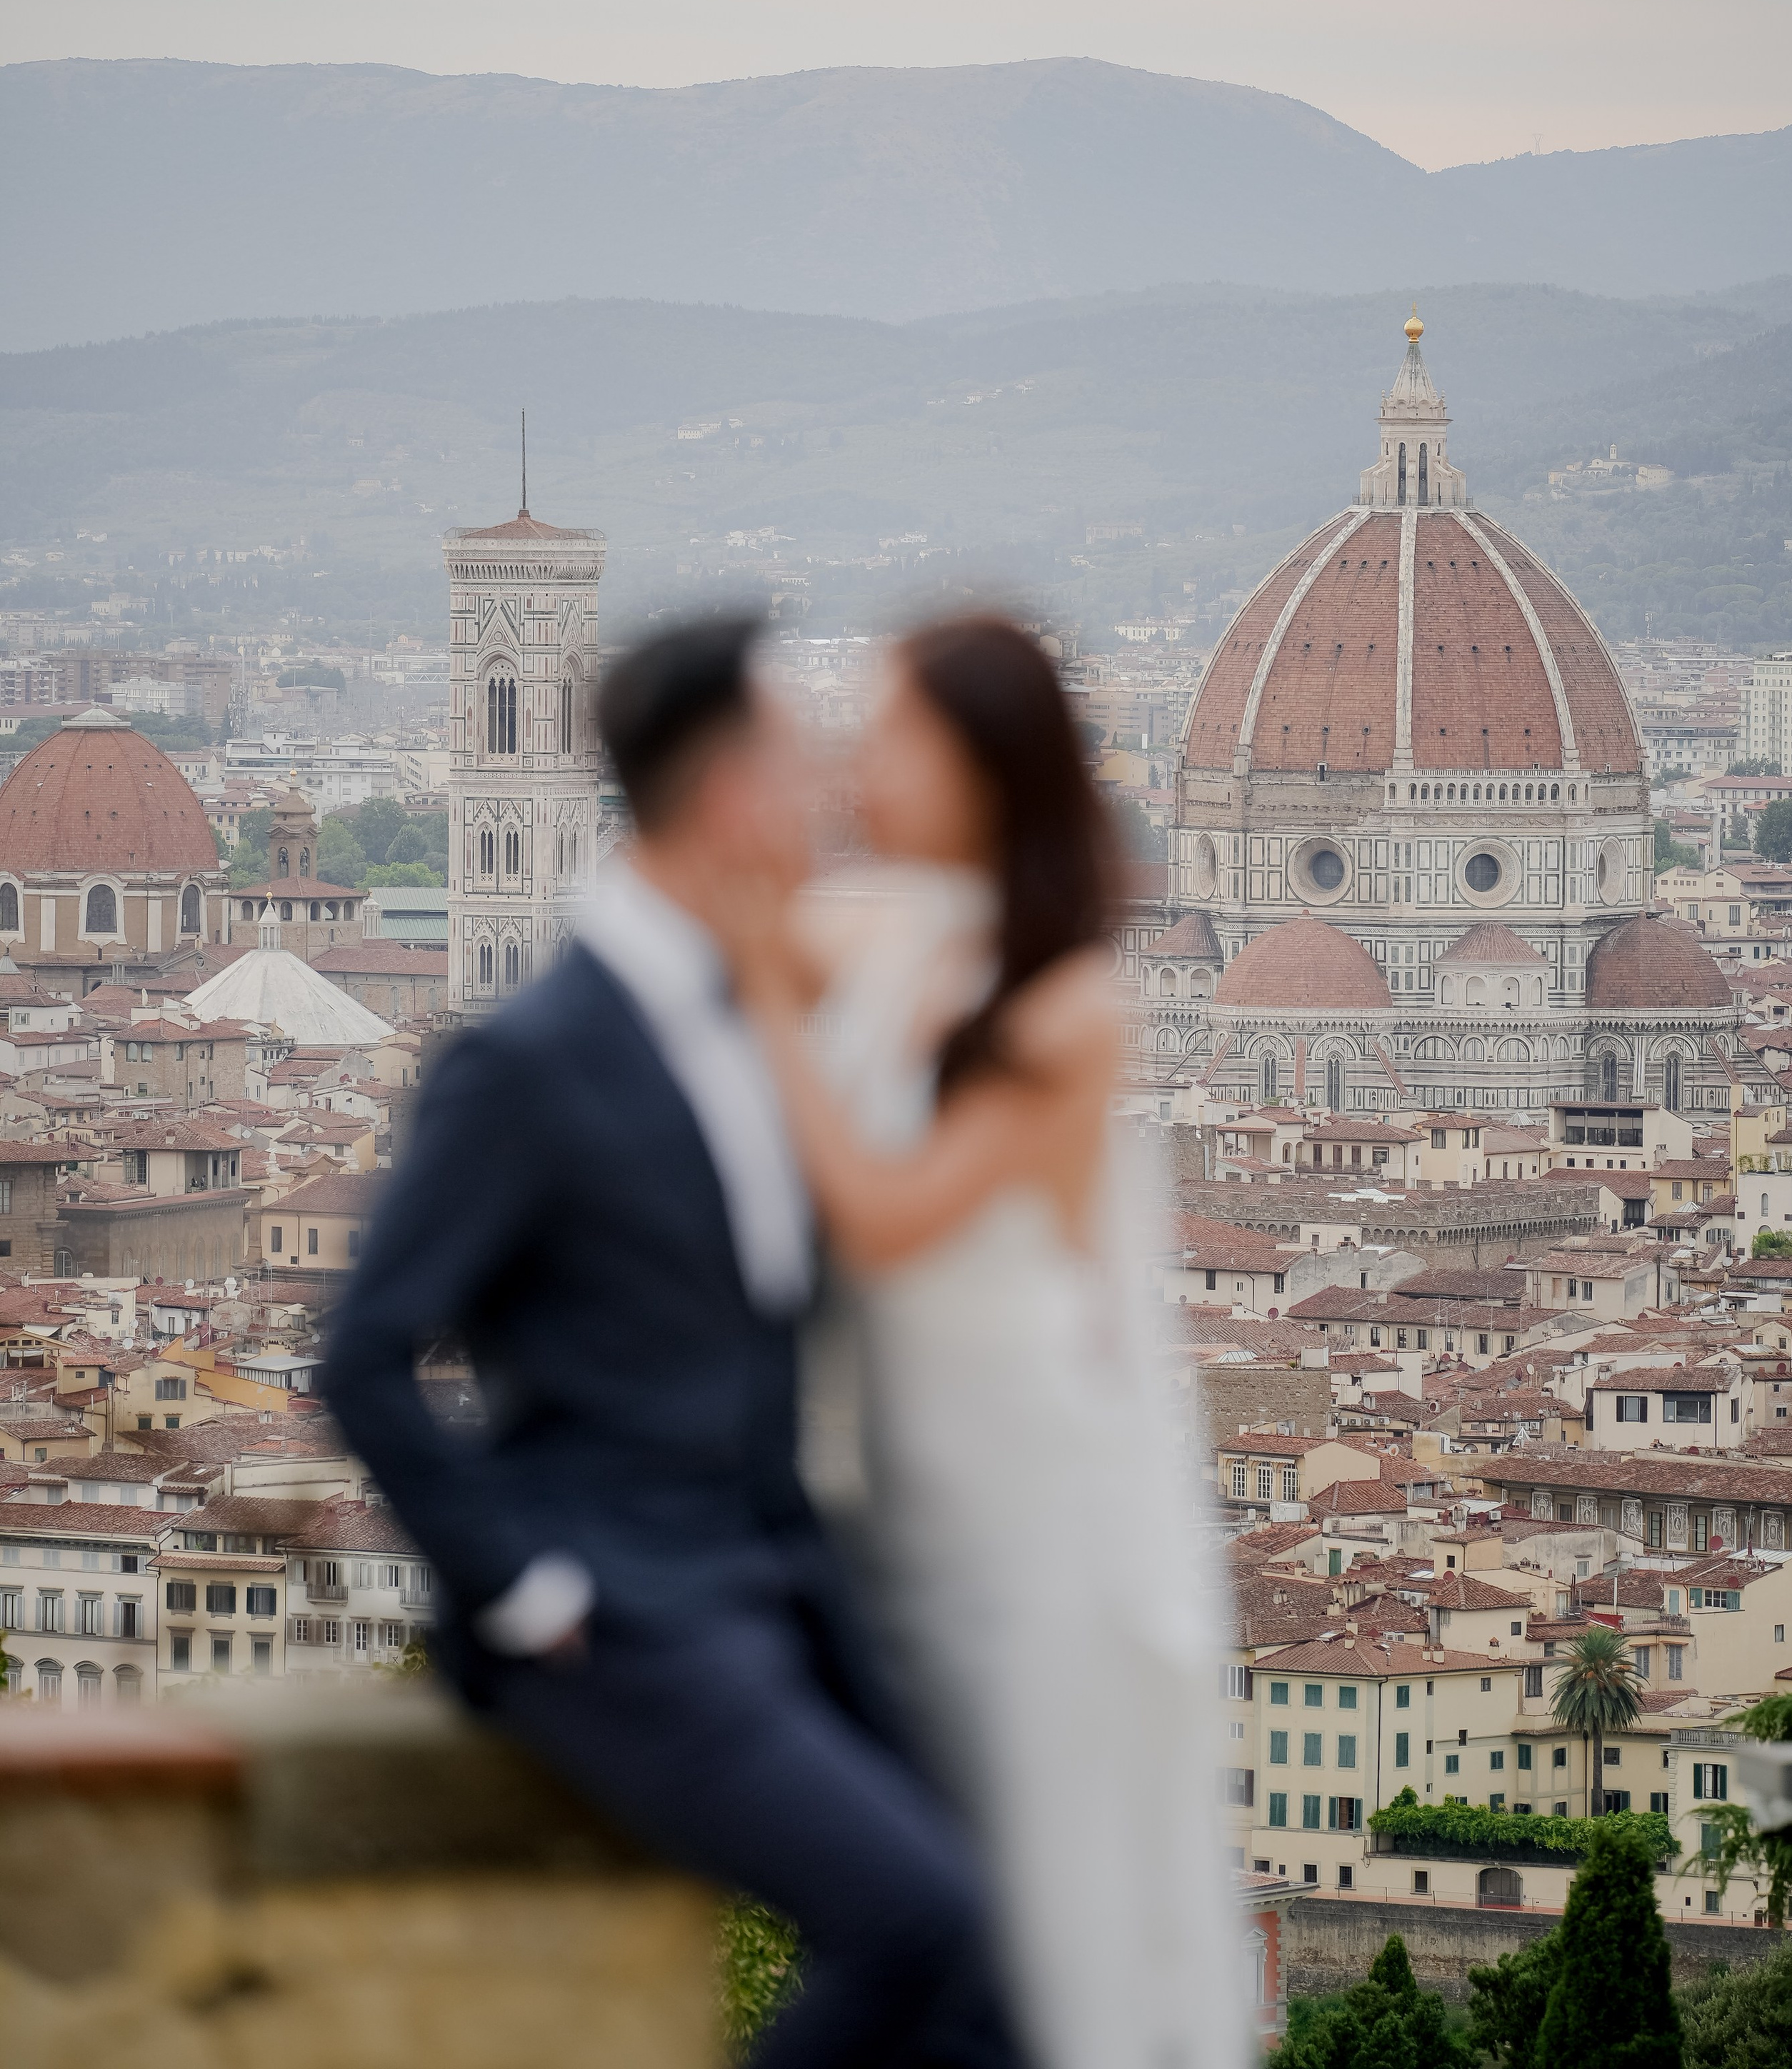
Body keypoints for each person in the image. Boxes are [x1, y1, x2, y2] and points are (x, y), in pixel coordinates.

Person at [322, 616, 1026, 2069]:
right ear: (726, 797)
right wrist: (521, 1590)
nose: (828, 793)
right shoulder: (530, 1058)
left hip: (772, 1577)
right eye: (798, 763)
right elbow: (364, 1353)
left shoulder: (749, 1016)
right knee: (917, 1924)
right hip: (624, 1618)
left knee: (993, 1994)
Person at [732, 616, 1243, 2069]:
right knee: (942, 1881)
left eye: (885, 733)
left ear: (979, 764)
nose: (853, 763)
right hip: (901, 1477)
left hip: (1030, 1500)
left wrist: (770, 1008)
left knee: (1037, 1907)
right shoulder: (884, 932)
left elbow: (889, 1220)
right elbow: (729, 930)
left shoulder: (1067, 1006)